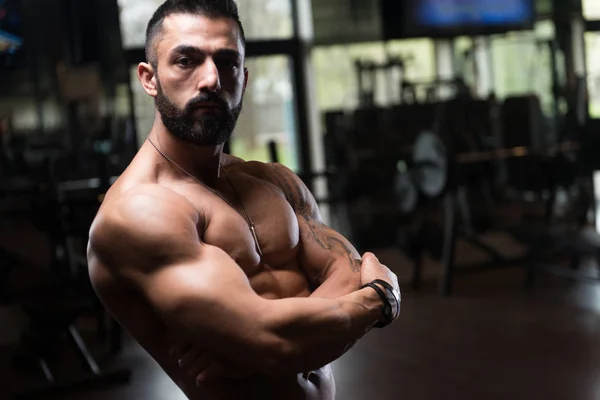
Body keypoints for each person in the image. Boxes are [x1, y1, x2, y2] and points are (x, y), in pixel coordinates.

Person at [86, 1, 401, 399]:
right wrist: (381, 298)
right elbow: (273, 342)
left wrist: (286, 337)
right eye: (186, 60)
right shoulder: (140, 211)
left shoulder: (274, 180)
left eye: (227, 62)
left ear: (244, 77)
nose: (211, 79)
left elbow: (348, 271)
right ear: (149, 78)